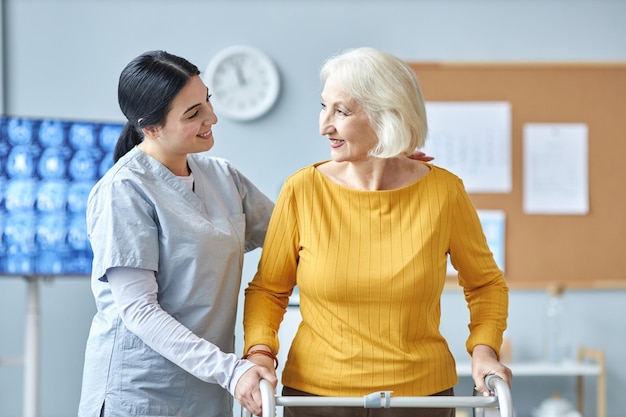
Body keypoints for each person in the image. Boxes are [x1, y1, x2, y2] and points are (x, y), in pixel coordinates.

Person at [242, 47, 512, 417]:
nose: (324, 126)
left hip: (421, 398)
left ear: (388, 116)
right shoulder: (302, 190)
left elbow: (485, 284)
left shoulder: (444, 193)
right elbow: (269, 290)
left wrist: (484, 349)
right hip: (317, 398)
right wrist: (260, 352)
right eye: (324, 107)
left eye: (342, 111)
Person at [77, 50, 278, 417]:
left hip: (206, 391)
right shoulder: (124, 190)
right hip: (140, 394)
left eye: (207, 101)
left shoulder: (223, 177)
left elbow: (296, 230)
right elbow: (138, 309)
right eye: (193, 113)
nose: (212, 118)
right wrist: (233, 372)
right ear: (150, 128)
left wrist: (382, 166)